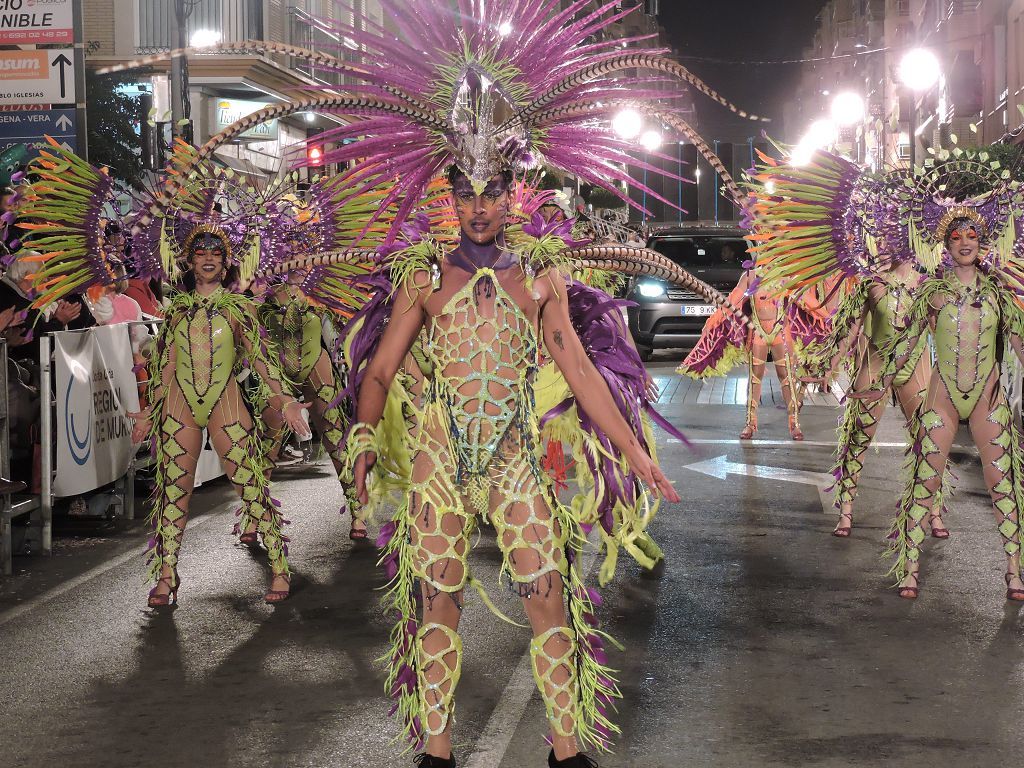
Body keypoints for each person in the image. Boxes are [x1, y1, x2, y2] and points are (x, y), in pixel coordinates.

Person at [350, 167, 679, 768]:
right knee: (436, 603)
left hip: (516, 461)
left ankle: (566, 751)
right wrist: (364, 441)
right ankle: (438, 752)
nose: (479, 208)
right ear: (452, 200)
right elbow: (379, 370)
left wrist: (635, 453)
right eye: (466, 196)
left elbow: (579, 372)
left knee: (547, 600)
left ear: (511, 198)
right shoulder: (424, 277)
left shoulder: (538, 276)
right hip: (439, 462)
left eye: (491, 195)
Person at [127, 227, 310, 605]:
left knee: (250, 484)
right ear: (189, 261)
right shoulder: (176, 311)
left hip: (226, 402)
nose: (208, 258)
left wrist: (285, 400)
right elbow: (166, 366)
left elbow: (261, 358)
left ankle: (279, 565)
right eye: (200, 252)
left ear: (226, 262)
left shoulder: (238, 309)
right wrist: (149, 411)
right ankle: (166, 574)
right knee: (173, 490)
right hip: (179, 406)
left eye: (216, 253)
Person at [853, 210, 1024, 600]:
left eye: (972, 237)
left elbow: (1017, 341)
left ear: (982, 244)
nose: (965, 243)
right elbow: (909, 342)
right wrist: (879, 381)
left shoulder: (999, 293)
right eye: (957, 238)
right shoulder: (932, 293)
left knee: (1004, 482)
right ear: (946, 246)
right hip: (942, 397)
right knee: (924, 481)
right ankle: (910, 568)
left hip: (988, 399)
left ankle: (1014, 571)